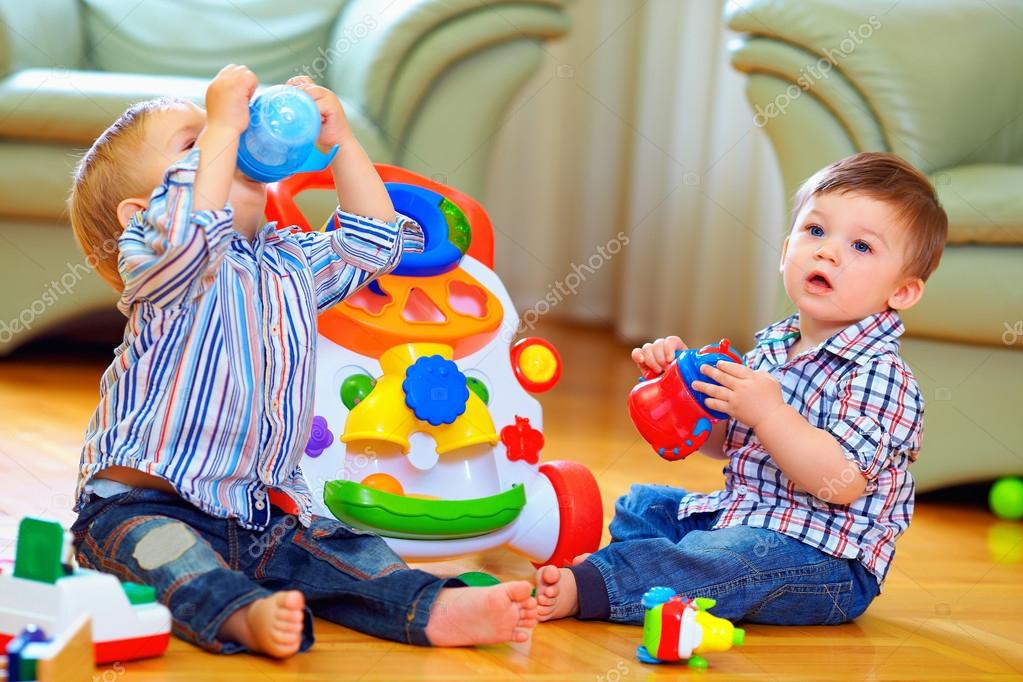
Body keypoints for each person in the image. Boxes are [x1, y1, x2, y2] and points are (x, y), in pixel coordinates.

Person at [68, 65, 537, 658]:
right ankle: (238, 613)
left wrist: (342, 143)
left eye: (225, 131)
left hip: (260, 516)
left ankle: (431, 605)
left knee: (346, 548)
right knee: (165, 556)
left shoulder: (290, 265)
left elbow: (375, 241)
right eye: (197, 140)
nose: (228, 137)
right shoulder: (164, 271)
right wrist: (223, 122)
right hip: (138, 508)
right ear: (141, 219)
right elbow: (190, 232)